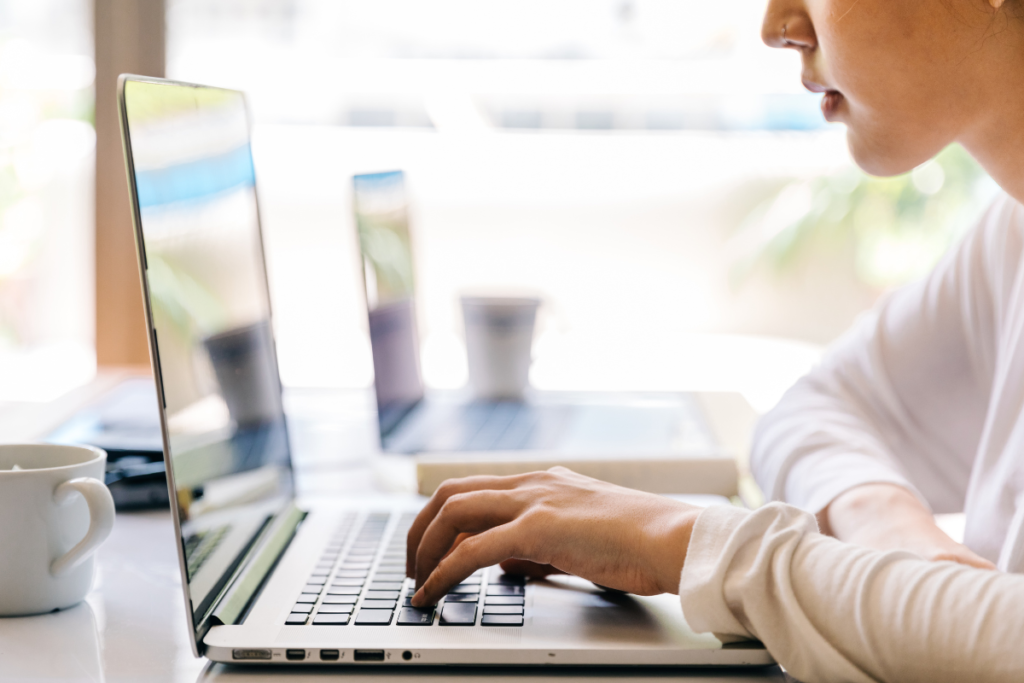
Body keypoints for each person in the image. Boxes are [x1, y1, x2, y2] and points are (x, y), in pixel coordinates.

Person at [405, 1, 1024, 681]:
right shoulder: (1010, 233)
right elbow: (813, 407)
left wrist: (686, 543)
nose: (776, 24)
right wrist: (896, 541)